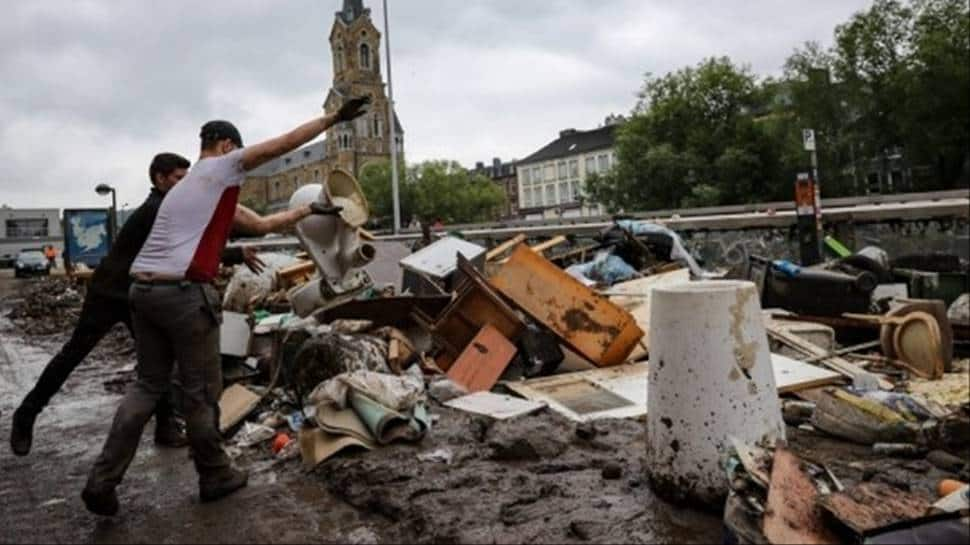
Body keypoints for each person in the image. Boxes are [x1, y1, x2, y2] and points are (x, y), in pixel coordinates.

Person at [81, 96, 370, 516]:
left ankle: (101, 481)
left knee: (147, 386)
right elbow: (280, 145)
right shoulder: (220, 167)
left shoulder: (193, 187)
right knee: (201, 392)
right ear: (226, 146)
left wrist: (312, 208)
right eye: (237, 151)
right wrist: (333, 119)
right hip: (182, 295)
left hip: (142, 292)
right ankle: (215, 474)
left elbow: (261, 224)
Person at [10, 153, 330, 458]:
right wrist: (234, 253)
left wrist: (236, 249)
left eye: (185, 178)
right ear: (160, 179)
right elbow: (188, 248)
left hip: (139, 294)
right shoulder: (157, 209)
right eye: (178, 178)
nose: (184, 184)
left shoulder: (169, 205)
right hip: (109, 294)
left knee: (156, 364)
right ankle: (26, 416)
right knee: (73, 355)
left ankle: (165, 427)